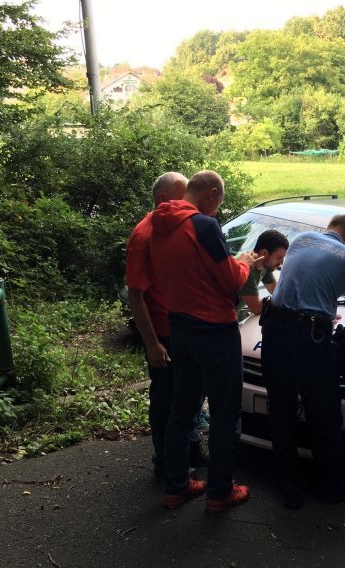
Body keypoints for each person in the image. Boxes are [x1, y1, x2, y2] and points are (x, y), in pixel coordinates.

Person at [149, 170, 261, 512]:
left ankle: (176, 487)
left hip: (178, 328)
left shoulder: (156, 223)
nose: (217, 211)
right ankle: (219, 492)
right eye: (219, 204)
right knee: (226, 413)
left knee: (182, 409)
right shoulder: (203, 225)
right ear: (212, 194)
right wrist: (244, 263)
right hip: (214, 331)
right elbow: (229, 281)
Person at [260, 214, 345, 510]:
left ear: (328, 229)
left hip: (274, 330)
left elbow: (298, 282)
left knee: (281, 412)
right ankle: (335, 487)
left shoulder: (299, 240)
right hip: (310, 339)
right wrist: (335, 312)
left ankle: (290, 491)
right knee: (323, 413)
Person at [125, 172, 208, 475]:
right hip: (164, 335)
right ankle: (166, 463)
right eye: (183, 196)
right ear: (163, 200)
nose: (189, 204)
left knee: (190, 396)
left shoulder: (174, 230)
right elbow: (136, 295)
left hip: (185, 330)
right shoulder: (144, 236)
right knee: (167, 401)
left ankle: (190, 448)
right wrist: (152, 344)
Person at [236, 230, 289, 320]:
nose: (281, 263)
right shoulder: (248, 269)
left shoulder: (265, 265)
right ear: (265, 253)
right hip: (212, 323)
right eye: (279, 258)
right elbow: (256, 308)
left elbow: (276, 291)